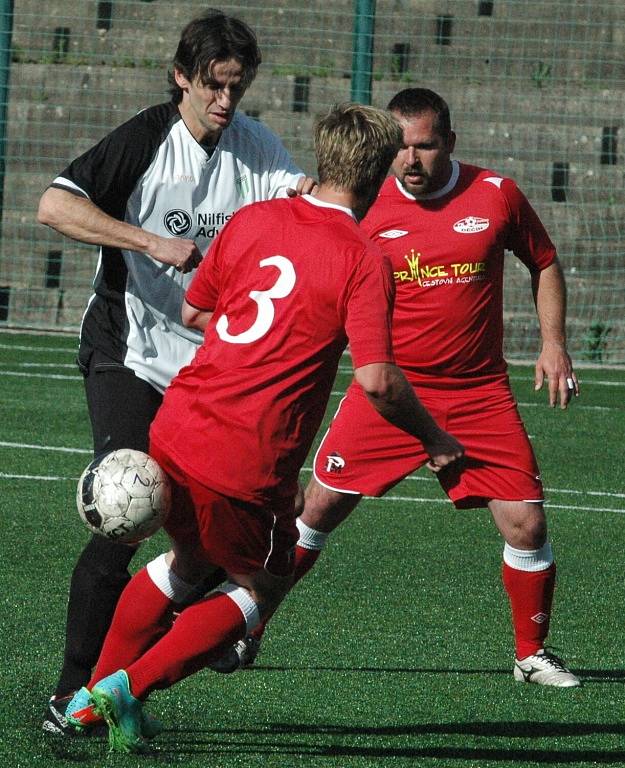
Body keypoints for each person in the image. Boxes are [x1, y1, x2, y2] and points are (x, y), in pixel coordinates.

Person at [60, 102, 464, 753]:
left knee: (186, 560)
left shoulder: (256, 218)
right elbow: (378, 381)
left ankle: (93, 697)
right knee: (263, 585)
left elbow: (196, 311)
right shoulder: (362, 257)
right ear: (378, 172)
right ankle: (118, 691)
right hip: (244, 455)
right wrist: (435, 437)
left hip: (180, 424)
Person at [228, 87, 582, 688]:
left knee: (527, 524)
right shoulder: (363, 203)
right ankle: (246, 631)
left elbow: (543, 261)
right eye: (400, 149)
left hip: (478, 392)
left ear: (451, 143)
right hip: (388, 389)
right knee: (315, 509)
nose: (410, 161)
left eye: (425, 147)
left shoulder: (495, 195)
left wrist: (553, 343)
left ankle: (530, 653)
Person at [37, 9, 316, 735]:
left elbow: (300, 199)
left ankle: (135, 680)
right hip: (128, 355)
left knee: (217, 536)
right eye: (213, 87)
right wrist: (145, 241)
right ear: (181, 78)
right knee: (126, 515)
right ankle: (71, 690)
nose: (225, 102)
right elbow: (54, 205)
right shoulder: (143, 140)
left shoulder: (255, 149)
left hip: (209, 377)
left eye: (237, 88)